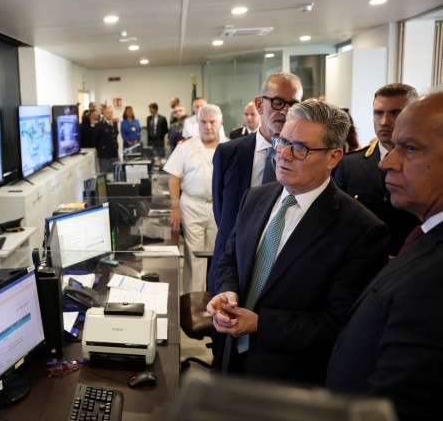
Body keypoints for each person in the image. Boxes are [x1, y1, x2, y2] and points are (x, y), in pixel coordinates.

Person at [208, 99, 389, 386]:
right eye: (282, 141)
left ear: (333, 157)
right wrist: (227, 291)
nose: (284, 155)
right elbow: (229, 259)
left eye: (301, 148)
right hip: (230, 361)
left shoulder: (361, 230)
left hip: (290, 381)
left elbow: (340, 324)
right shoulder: (254, 198)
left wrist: (260, 324)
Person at [326, 91, 443, 421]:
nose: (386, 162)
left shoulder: (435, 275)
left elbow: (405, 403)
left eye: (410, 148)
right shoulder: (424, 237)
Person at [209, 72, 303, 294]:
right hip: (230, 268)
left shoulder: (305, 156)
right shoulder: (228, 153)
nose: (286, 110)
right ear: (260, 104)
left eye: (294, 104)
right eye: (278, 101)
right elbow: (221, 211)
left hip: (282, 272)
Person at [333, 83, 420, 256]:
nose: (384, 121)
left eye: (395, 113)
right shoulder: (350, 165)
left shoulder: (426, 165)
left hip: (409, 264)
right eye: (378, 113)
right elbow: (336, 221)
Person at [163, 104, 223, 293]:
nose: (208, 126)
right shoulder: (186, 146)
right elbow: (174, 177)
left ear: (220, 123)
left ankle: (215, 298)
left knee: (219, 257)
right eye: (203, 122)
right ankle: (193, 301)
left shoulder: (230, 147)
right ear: (197, 123)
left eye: (212, 122)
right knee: (194, 257)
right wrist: (175, 207)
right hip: (192, 205)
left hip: (219, 207)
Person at [93, 106, 119, 173]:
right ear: (104, 114)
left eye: (111, 112)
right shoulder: (99, 125)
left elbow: (115, 135)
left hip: (114, 153)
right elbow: (95, 140)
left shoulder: (114, 123)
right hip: (104, 154)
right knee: (105, 173)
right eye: (108, 113)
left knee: (115, 173)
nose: (110, 114)